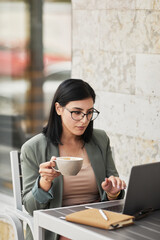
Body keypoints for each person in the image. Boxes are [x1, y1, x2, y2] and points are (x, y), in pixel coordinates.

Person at [21, 79, 126, 240]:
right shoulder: (33, 148)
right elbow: (30, 208)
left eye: (90, 112)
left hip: (98, 223)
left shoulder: (100, 139)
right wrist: (44, 183)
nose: (84, 120)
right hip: (58, 228)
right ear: (58, 108)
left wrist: (113, 192)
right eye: (77, 112)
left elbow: (115, 192)